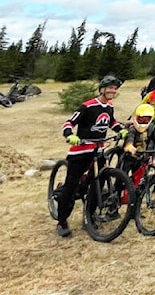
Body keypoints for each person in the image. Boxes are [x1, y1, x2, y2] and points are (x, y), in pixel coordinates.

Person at [54, 75, 127, 238]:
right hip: (80, 151)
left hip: (98, 150)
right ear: (102, 89)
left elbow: (111, 122)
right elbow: (69, 123)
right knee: (71, 186)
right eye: (110, 88)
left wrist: (119, 130)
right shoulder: (88, 106)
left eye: (115, 88)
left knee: (97, 184)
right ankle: (62, 221)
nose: (112, 91)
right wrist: (70, 135)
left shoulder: (109, 106)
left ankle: (89, 217)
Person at [120, 103, 155, 175]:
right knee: (122, 176)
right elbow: (130, 137)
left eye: (147, 119)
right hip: (129, 157)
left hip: (142, 157)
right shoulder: (132, 128)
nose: (144, 121)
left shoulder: (152, 128)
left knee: (140, 177)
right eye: (141, 118)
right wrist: (129, 145)